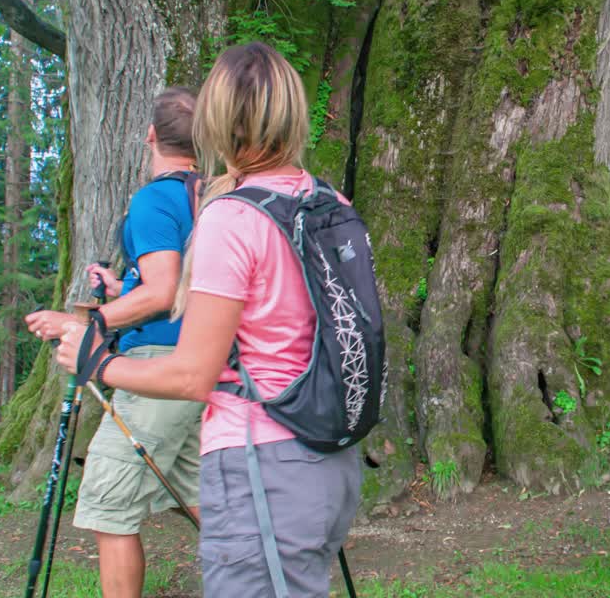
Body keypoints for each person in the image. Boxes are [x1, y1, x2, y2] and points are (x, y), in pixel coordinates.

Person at [55, 42, 361, 598]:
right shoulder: (328, 202)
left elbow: (191, 376)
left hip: (264, 459)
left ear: (218, 122)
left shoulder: (234, 217)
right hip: (329, 455)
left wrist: (97, 361)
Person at [26, 87, 203, 598]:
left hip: (157, 367)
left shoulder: (154, 199)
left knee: (109, 502)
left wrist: (91, 324)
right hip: (204, 360)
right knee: (200, 492)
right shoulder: (208, 194)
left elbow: (165, 290)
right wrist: (121, 286)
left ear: (150, 135)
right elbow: (177, 281)